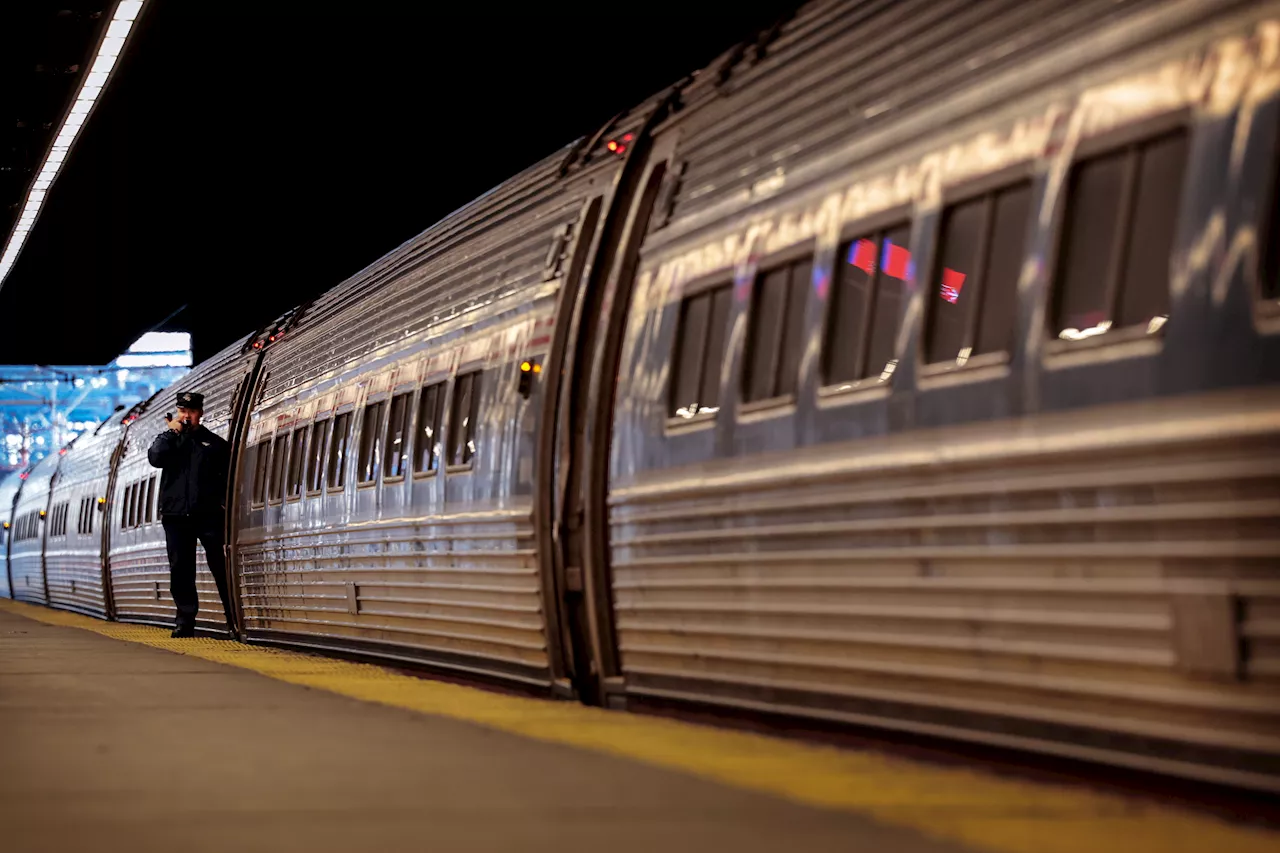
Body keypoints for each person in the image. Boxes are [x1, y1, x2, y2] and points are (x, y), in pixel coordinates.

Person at [147, 391, 237, 639]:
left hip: (207, 515)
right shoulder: (169, 441)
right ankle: (184, 622)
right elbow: (155, 458)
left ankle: (234, 618)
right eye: (183, 411)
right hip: (176, 517)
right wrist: (170, 432)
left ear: (201, 413)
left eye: (192, 412)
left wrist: (220, 505)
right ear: (177, 412)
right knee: (181, 570)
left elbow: (227, 479)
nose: (187, 416)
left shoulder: (214, 444)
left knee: (220, 566)